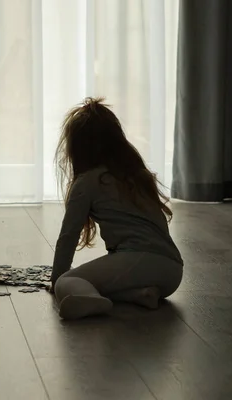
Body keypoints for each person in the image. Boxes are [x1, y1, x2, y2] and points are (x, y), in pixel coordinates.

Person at [50, 97, 183, 320]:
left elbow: (68, 236)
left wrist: (57, 280)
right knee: (112, 280)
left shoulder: (87, 182)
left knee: (69, 281)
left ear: (77, 151)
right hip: (172, 272)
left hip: (139, 260)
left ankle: (91, 301)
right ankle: (140, 295)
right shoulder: (135, 176)